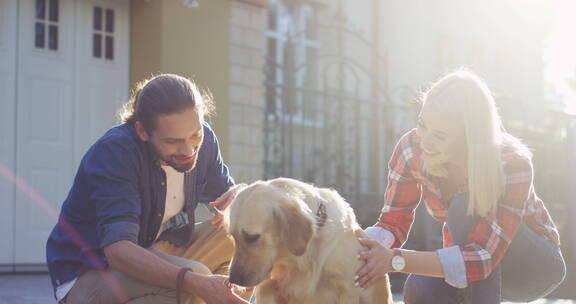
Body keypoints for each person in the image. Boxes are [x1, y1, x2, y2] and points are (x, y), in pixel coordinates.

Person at [356, 70, 566, 304]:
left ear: (469, 137)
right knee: (421, 287)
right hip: (472, 261)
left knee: (464, 207)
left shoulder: (510, 163)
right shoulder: (411, 148)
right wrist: (361, 251)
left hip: (532, 268)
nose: (424, 141)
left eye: (440, 135)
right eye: (422, 124)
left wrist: (395, 259)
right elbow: (393, 222)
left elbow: (482, 258)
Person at [46, 74, 250, 304]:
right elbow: (119, 252)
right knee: (195, 279)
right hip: (91, 270)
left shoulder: (205, 140)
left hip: (152, 249)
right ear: (142, 131)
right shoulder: (116, 152)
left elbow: (229, 195)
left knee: (251, 231)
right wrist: (196, 283)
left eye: (195, 134)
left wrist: (242, 194)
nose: (188, 150)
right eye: (172, 141)